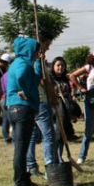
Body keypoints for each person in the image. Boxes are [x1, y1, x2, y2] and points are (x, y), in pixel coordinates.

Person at [6, 37, 40, 186]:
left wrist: (39, 63)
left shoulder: (17, 63)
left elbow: (35, 78)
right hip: (22, 109)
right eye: (35, 50)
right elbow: (21, 77)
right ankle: (20, 184)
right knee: (21, 149)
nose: (36, 53)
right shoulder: (22, 64)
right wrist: (25, 91)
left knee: (21, 147)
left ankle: (24, 179)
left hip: (13, 109)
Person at [26, 39, 60, 177]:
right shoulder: (36, 63)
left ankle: (31, 165)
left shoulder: (28, 61)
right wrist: (52, 96)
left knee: (33, 135)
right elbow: (42, 81)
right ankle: (50, 166)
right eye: (47, 44)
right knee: (48, 135)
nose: (48, 47)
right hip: (40, 102)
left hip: (32, 102)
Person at [0, 53, 14, 143]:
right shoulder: (13, 75)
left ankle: (6, 137)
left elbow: (2, 89)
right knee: (12, 120)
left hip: (3, 99)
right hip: (9, 99)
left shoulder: (3, 76)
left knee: (5, 119)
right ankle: (13, 138)